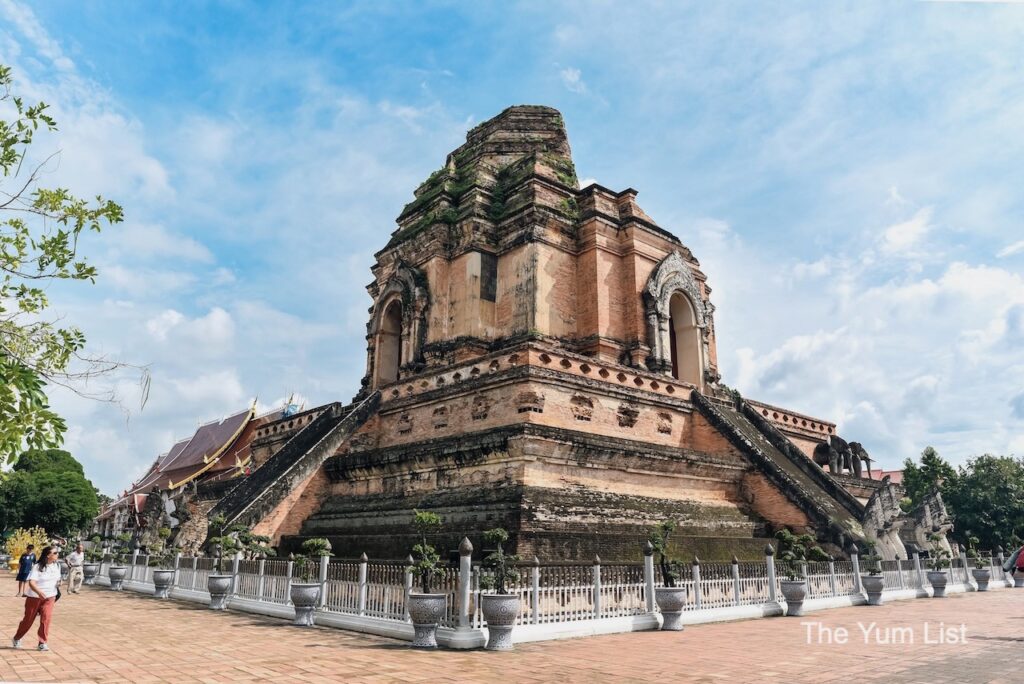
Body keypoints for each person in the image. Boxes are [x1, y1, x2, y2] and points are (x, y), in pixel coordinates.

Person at [12, 545, 61, 651]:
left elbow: (57, 579)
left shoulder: (57, 566)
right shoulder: (38, 567)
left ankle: (42, 642)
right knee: (28, 620)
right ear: (48, 555)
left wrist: (59, 583)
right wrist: (39, 592)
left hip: (50, 597)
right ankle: (17, 638)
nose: (58, 555)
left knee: (46, 619)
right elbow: (31, 582)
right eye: (55, 553)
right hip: (34, 598)